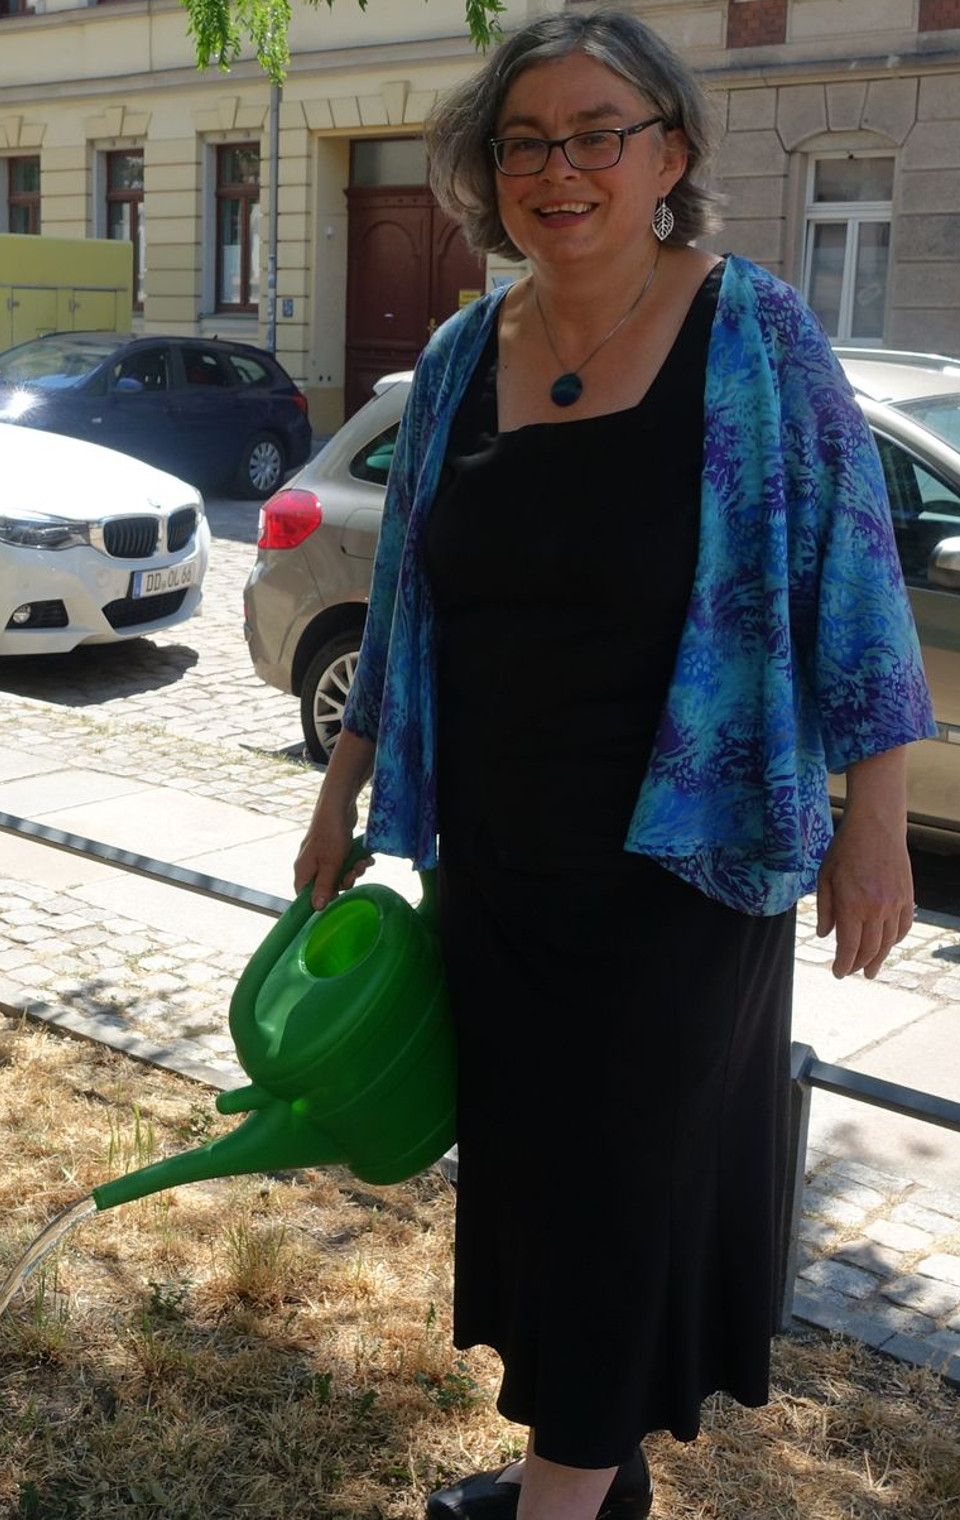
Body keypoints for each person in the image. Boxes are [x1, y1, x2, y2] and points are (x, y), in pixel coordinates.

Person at [290, 13, 935, 1520]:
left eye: (598, 133)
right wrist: (339, 793)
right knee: (541, 1176)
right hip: (495, 858)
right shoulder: (460, 354)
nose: (558, 168)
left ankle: (561, 1498)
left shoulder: (755, 333)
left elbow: (854, 577)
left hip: (682, 862)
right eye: (524, 141)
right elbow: (404, 600)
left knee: (622, 1181)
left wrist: (876, 824)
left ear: (670, 153)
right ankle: (595, 1472)